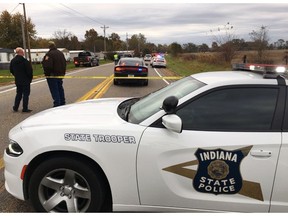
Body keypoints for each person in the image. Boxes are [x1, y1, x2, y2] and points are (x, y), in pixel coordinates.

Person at [42, 41, 67, 107]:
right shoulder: (60, 53)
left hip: (52, 75)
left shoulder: (49, 54)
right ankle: (62, 102)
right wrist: (63, 73)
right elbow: (64, 63)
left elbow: (47, 66)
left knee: (54, 89)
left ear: (49, 46)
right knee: (60, 88)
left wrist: (47, 74)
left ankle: (57, 103)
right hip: (60, 74)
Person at [10, 47, 33, 113]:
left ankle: (15, 107)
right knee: (26, 94)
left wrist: (16, 75)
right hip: (25, 80)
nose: (23, 53)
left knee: (18, 93)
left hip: (18, 80)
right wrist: (30, 78)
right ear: (20, 52)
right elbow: (29, 71)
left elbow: (11, 70)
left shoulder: (13, 61)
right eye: (22, 52)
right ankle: (25, 108)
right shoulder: (25, 61)